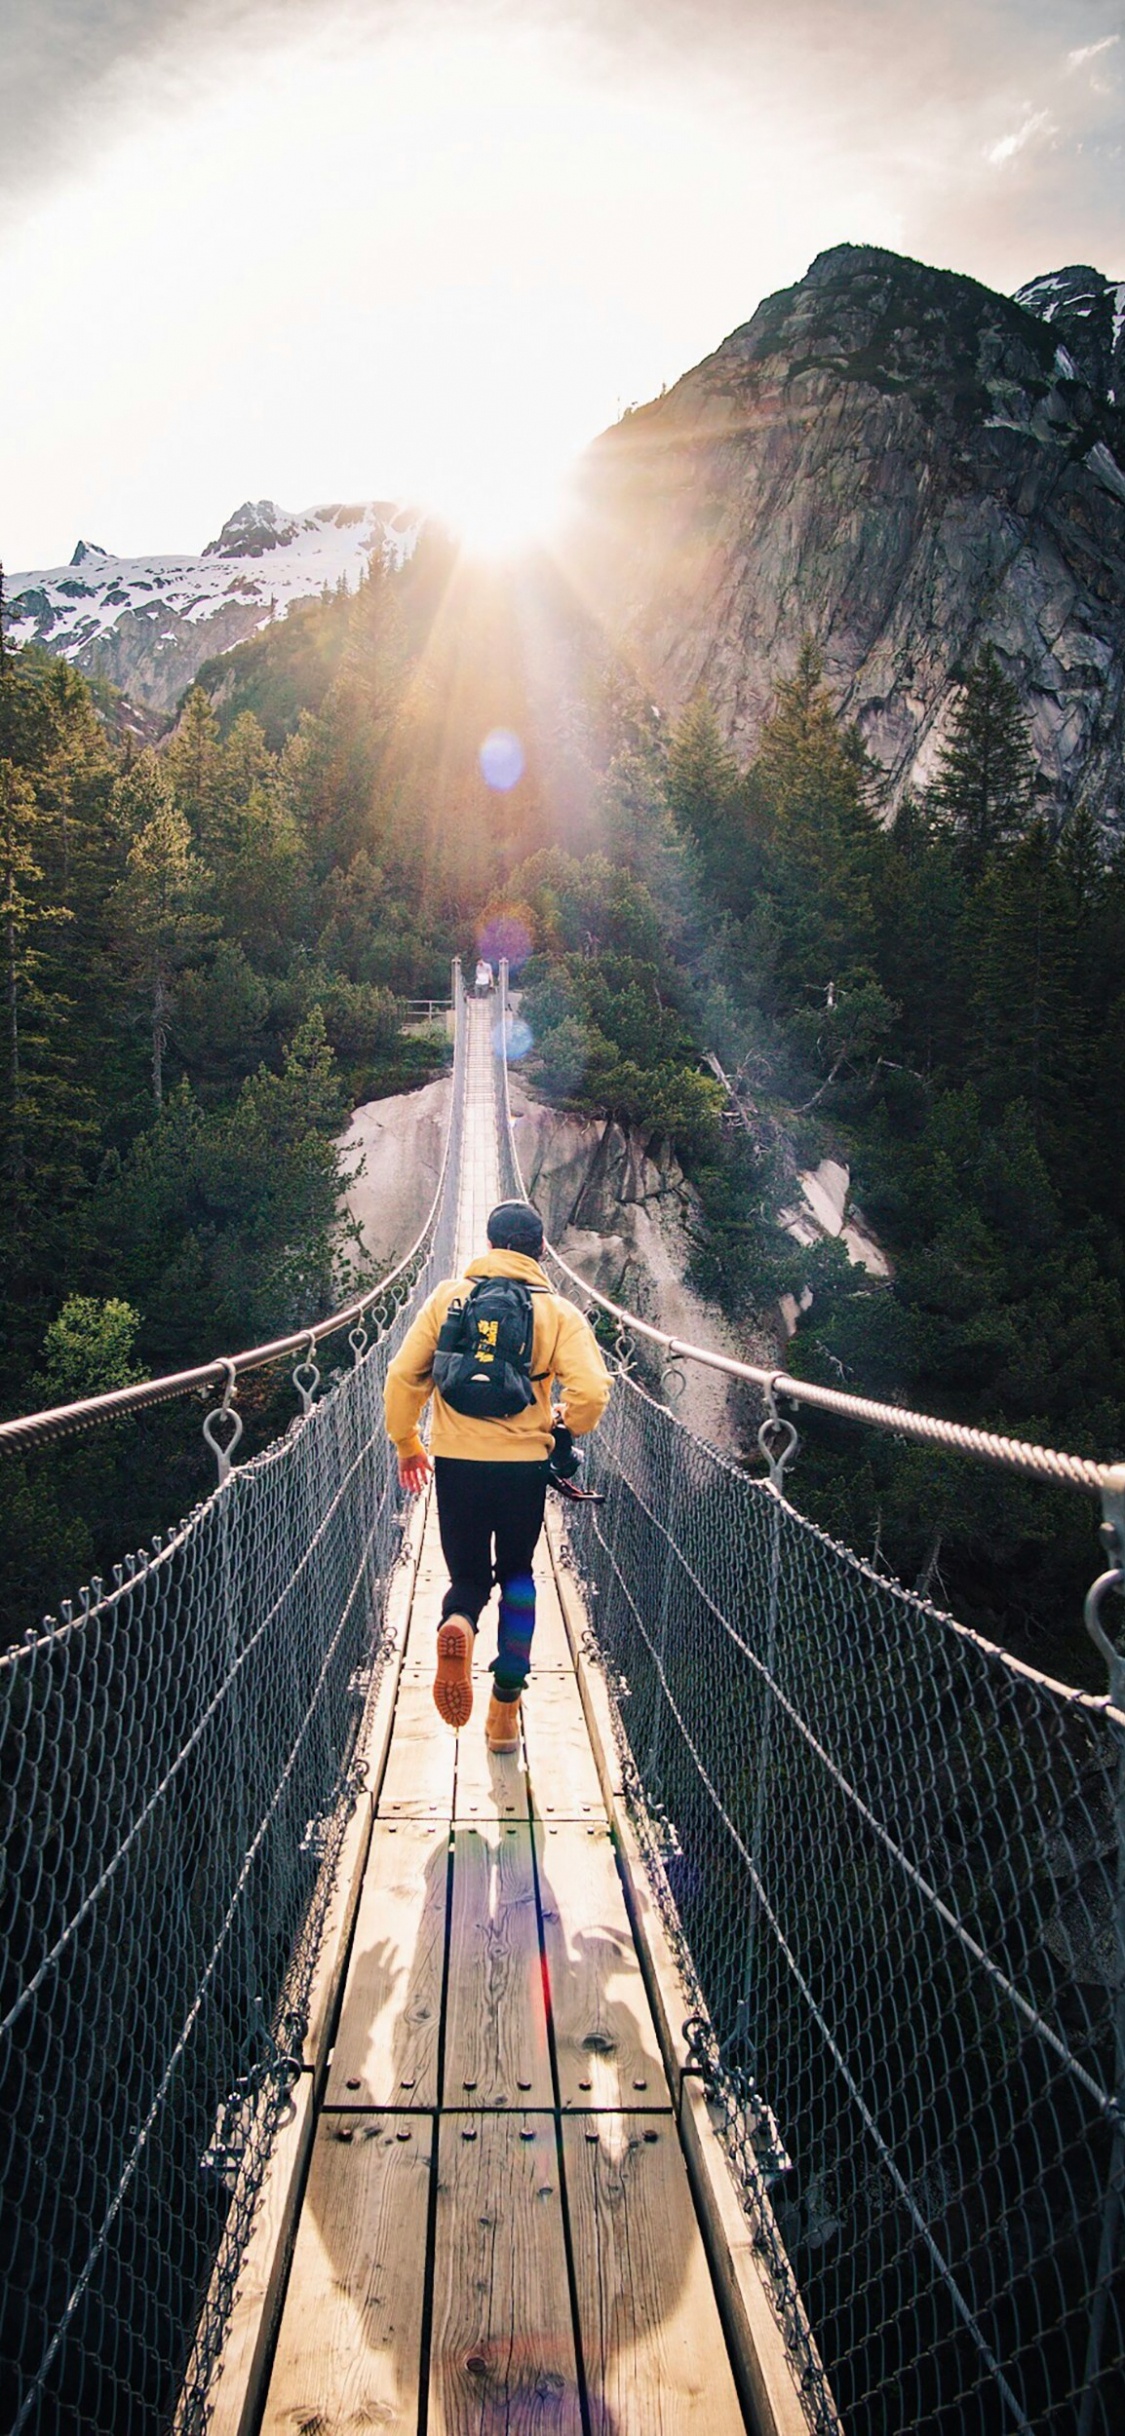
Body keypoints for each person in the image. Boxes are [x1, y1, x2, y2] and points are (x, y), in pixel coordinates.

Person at [384, 1198, 611, 1751]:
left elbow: (402, 1375)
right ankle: (504, 1710)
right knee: (517, 1578)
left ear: (487, 1246)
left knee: (467, 1577)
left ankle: (457, 1621)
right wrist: (563, 1423)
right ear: (540, 1251)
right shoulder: (558, 1312)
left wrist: (408, 1443)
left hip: (458, 1463)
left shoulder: (447, 1298)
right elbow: (592, 1392)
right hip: (523, 1471)